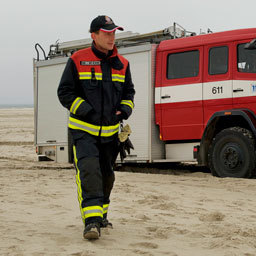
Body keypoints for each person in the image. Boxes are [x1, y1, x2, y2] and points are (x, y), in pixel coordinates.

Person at [57, 15, 135, 240]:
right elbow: (65, 93)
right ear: (94, 35)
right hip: (83, 133)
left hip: (110, 135)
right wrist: (86, 111)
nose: (112, 37)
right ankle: (91, 223)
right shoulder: (77, 59)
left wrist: (125, 109)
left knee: (107, 177)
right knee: (89, 172)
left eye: (113, 33)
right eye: (107, 33)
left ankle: (101, 216)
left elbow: (129, 93)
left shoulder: (123, 64)